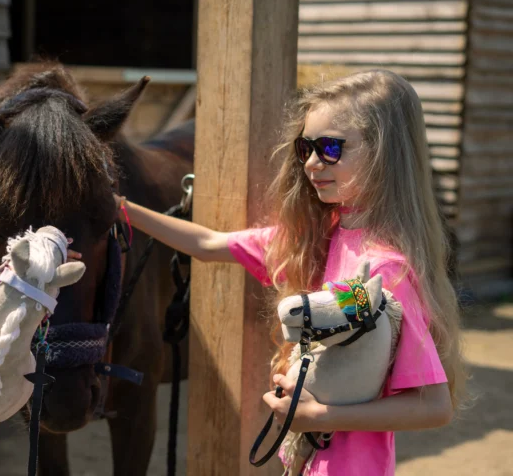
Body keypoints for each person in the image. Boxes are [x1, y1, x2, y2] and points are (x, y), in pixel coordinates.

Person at [115, 70, 465, 475]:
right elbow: (208, 244)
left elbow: (432, 405)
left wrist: (319, 417)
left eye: (331, 147)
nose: (313, 163)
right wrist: (121, 208)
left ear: (384, 153)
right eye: (306, 148)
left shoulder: (385, 271)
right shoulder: (316, 240)